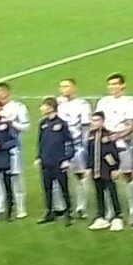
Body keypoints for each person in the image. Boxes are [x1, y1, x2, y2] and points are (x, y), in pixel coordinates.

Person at [95, 73, 133, 223]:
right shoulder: (103, 102)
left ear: (122, 85)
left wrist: (117, 136)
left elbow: (131, 126)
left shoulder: (129, 102)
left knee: (128, 175)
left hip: (123, 143)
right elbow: (98, 122)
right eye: (110, 84)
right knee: (106, 177)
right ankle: (110, 210)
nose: (112, 87)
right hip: (106, 144)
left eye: (115, 84)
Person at [0, 82, 30, 218]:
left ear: (5, 92)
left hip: (13, 148)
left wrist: (11, 123)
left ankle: (20, 207)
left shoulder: (18, 107)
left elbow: (26, 127)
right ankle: (0, 206)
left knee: (16, 178)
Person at [34, 98, 74, 225]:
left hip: (59, 162)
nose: (41, 108)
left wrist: (67, 159)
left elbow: (69, 142)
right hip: (46, 162)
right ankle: (49, 212)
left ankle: (68, 212)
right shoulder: (42, 123)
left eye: (44, 106)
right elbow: (40, 142)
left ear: (51, 107)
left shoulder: (61, 124)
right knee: (47, 189)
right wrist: (38, 157)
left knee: (63, 188)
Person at [56, 78, 91, 218]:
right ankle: (61, 206)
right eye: (61, 86)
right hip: (60, 145)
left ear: (74, 88)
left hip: (77, 144)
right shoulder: (58, 104)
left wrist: (84, 146)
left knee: (80, 175)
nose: (63, 89)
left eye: (66, 86)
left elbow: (86, 128)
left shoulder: (82, 105)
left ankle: (81, 207)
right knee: (59, 174)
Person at [82, 112, 123, 230]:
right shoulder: (91, 136)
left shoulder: (108, 135)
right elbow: (90, 153)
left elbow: (113, 153)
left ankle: (117, 217)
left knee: (112, 192)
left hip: (106, 170)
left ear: (102, 121)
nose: (94, 123)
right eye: (93, 120)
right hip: (96, 170)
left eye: (97, 120)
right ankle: (101, 216)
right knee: (99, 194)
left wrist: (114, 168)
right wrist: (89, 167)